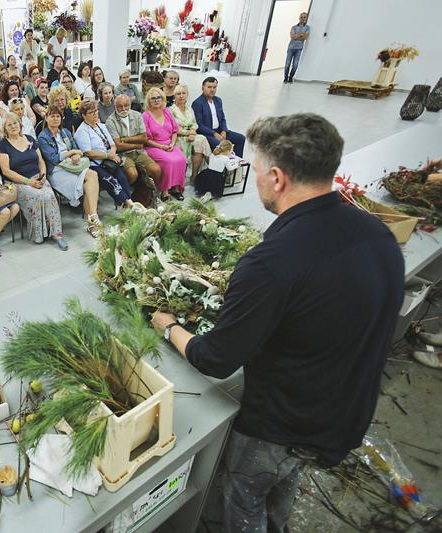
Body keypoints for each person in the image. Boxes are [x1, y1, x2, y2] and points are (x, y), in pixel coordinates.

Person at [151, 113, 404, 533]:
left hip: (283, 424)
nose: (255, 179)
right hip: (346, 411)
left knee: (247, 494)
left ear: (276, 177)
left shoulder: (272, 262)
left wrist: (169, 325)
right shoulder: (376, 233)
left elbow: (215, 359)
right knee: (284, 482)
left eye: (255, 169)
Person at [0, 114, 66, 249]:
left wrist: (43, 175)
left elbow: (41, 161)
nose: (13, 126)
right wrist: (28, 182)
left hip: (37, 177)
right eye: (9, 125)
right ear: (4, 128)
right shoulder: (2, 145)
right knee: (38, 196)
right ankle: (39, 234)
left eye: (15, 123)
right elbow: (6, 171)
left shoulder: (29, 139)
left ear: (20, 124)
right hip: (17, 183)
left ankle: (56, 234)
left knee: (50, 196)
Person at [38, 106, 102, 237]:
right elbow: (53, 158)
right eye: (52, 116)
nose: (56, 119)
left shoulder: (65, 132)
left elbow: (77, 149)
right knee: (87, 184)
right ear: (46, 118)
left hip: (72, 165)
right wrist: (71, 153)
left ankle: (93, 216)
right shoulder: (43, 137)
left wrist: (76, 155)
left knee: (93, 175)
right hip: (56, 171)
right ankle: (93, 222)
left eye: (58, 116)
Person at [74, 100, 134, 208]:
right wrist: (108, 155)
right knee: (111, 181)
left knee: (122, 178)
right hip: (95, 164)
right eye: (91, 112)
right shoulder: (82, 131)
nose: (95, 114)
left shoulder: (101, 126)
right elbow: (88, 153)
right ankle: (128, 204)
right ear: (83, 115)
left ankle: (129, 202)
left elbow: (113, 145)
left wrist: (112, 154)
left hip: (109, 160)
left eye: (96, 111)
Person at [105, 94, 162, 199]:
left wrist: (125, 139)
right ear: (115, 106)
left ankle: (152, 194)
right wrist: (136, 144)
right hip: (122, 155)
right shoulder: (110, 121)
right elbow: (118, 146)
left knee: (156, 169)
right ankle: (127, 195)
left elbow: (144, 137)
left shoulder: (137, 115)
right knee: (132, 174)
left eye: (126, 105)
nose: (124, 109)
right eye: (120, 106)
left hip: (138, 152)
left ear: (130, 105)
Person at [143, 88, 188, 200]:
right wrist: (161, 146)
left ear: (163, 99)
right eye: (153, 98)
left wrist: (172, 143)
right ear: (149, 101)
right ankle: (164, 191)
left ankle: (176, 188)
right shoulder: (145, 116)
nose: (156, 100)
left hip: (169, 144)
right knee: (169, 161)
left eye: (158, 97)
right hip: (153, 146)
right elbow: (146, 139)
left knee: (181, 159)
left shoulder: (167, 112)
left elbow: (174, 131)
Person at [191, 77, 246, 157]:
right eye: (209, 87)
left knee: (241, 138)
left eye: (214, 87)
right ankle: (223, 163)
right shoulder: (197, 103)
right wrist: (214, 133)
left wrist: (224, 130)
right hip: (207, 133)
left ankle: (235, 162)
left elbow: (222, 118)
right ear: (203, 88)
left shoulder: (218, 100)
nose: (212, 90)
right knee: (220, 145)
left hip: (219, 131)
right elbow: (199, 125)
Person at [171, 84, 212, 183]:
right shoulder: (170, 110)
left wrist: (193, 131)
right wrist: (189, 133)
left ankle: (195, 175)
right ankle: (214, 167)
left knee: (200, 141)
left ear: (187, 95)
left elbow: (194, 123)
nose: (181, 96)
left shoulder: (189, 109)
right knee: (201, 140)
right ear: (174, 95)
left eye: (183, 93)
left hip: (191, 136)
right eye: (178, 94)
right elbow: (174, 129)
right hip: (177, 138)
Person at [285, 12, 311, 83]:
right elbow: (292, 36)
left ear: (306, 18)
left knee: (295, 65)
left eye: (304, 17)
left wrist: (297, 35)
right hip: (291, 48)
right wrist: (301, 35)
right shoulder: (294, 27)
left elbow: (305, 37)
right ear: (299, 18)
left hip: (299, 49)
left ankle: (291, 77)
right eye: (301, 17)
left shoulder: (307, 27)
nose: (303, 18)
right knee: (287, 64)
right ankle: (285, 78)